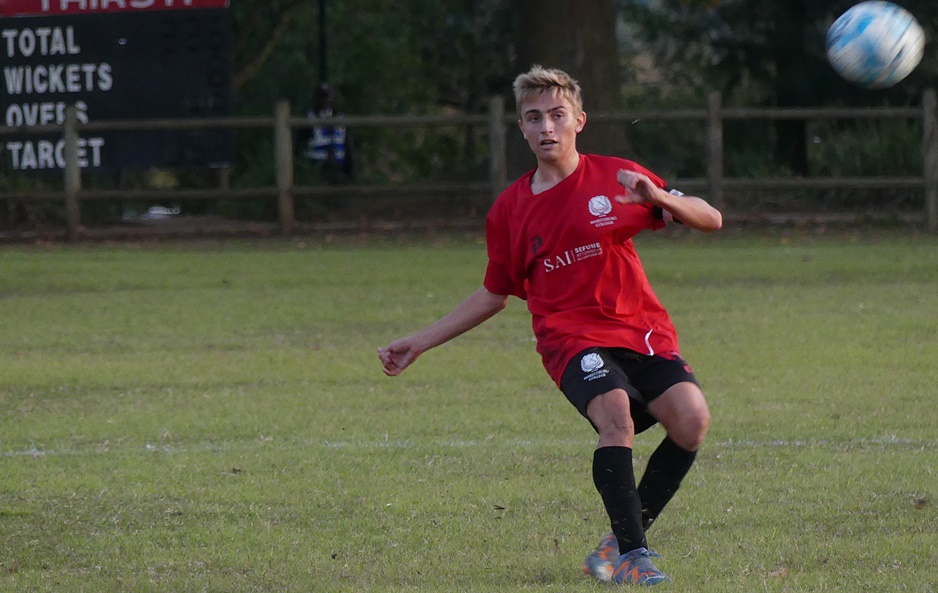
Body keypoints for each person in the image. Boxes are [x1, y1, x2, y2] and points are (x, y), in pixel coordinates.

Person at [377, 65, 722, 586]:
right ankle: (633, 555)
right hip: (571, 341)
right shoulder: (510, 210)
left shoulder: (616, 176)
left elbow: (711, 217)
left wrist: (660, 198)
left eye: (557, 115)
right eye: (534, 117)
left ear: (578, 120)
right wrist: (421, 341)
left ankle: (616, 542)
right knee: (616, 418)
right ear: (521, 127)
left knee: (692, 421)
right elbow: (495, 293)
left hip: (641, 331)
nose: (546, 128)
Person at [297, 83, 354, 184]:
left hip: (338, 167)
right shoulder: (308, 119)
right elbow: (300, 145)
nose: (324, 101)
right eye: (321, 97)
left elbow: (348, 147)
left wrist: (350, 172)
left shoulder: (341, 119)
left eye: (327, 97)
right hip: (316, 167)